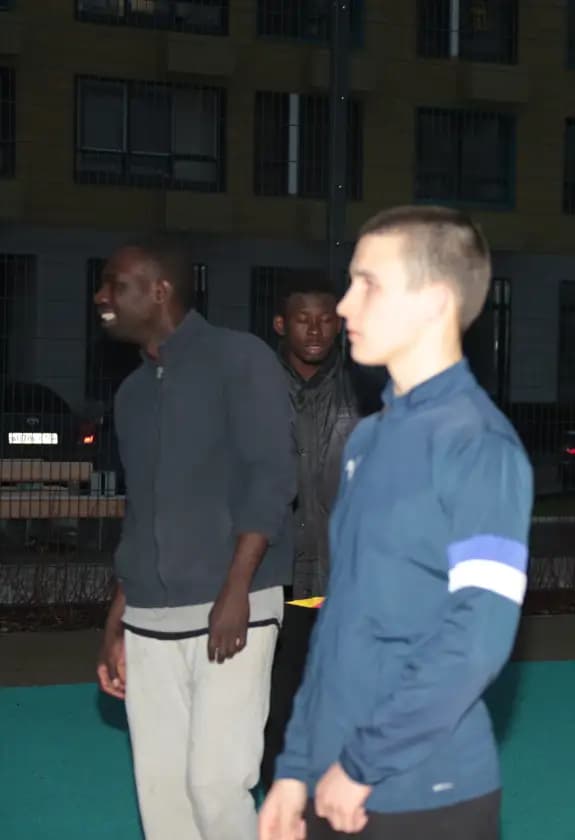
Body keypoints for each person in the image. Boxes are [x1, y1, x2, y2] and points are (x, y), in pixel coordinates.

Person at [258, 205, 533, 840]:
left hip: (422, 797)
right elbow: (339, 623)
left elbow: (478, 639)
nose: (345, 306)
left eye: (369, 284)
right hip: (331, 779)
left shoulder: (480, 445)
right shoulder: (368, 439)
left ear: (434, 301)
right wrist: (295, 769)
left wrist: (362, 764)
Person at [92, 236, 297, 840]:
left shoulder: (240, 359)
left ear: (160, 291)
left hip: (233, 607)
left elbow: (271, 478)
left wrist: (237, 589)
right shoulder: (132, 394)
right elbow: (142, 514)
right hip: (149, 617)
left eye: (115, 284)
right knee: (162, 794)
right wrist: (117, 621)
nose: (100, 297)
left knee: (216, 783)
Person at [260, 275, 382, 791]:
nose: (316, 329)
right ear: (280, 324)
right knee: (273, 701)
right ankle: (278, 803)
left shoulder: (367, 390)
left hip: (344, 578)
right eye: (303, 319)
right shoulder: (255, 389)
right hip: (273, 576)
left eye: (327, 319)